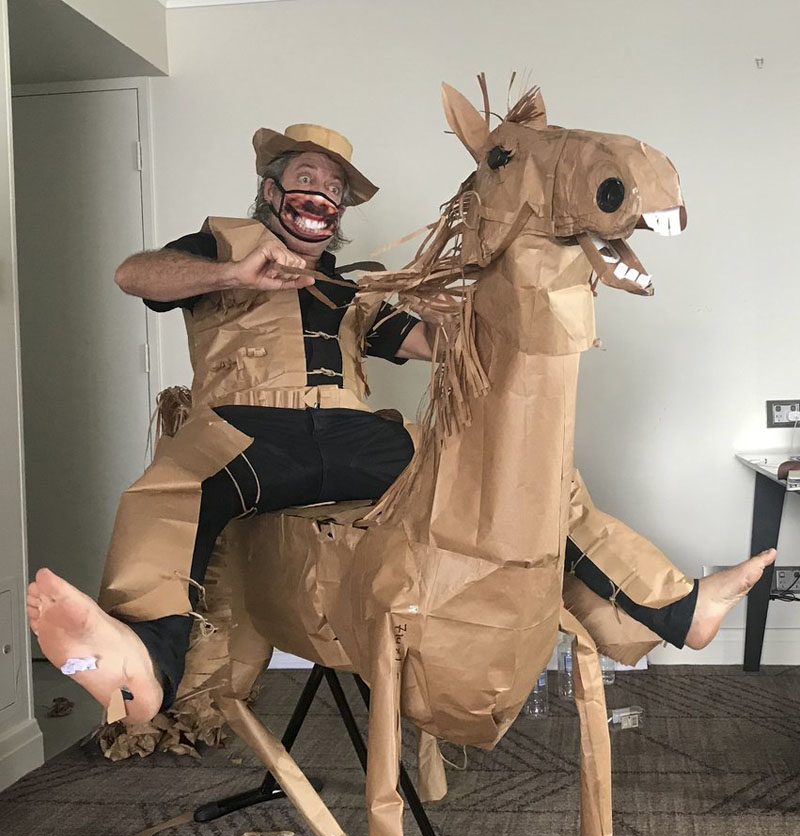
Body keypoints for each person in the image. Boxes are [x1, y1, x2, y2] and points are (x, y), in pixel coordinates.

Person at [26, 123, 776, 725]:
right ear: (272, 187)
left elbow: (426, 344)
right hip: (248, 433)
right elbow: (135, 275)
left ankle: (676, 608)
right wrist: (233, 275)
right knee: (169, 490)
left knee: (523, 483)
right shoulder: (218, 246)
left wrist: (484, 308)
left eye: (335, 188)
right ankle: (143, 667)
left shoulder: (348, 287)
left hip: (354, 436)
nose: (322, 192)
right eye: (308, 177)